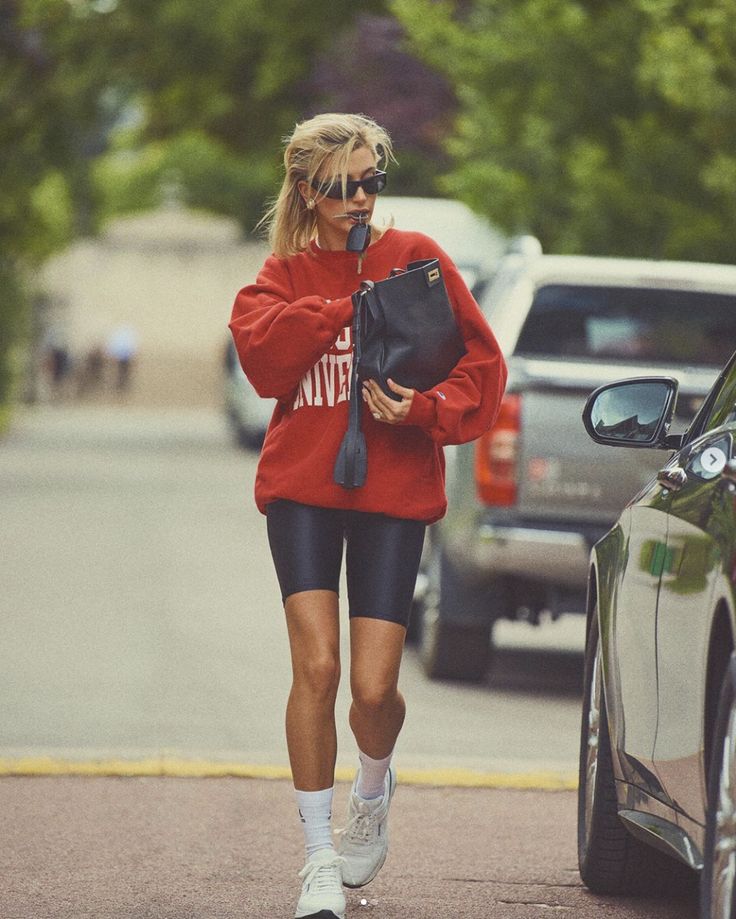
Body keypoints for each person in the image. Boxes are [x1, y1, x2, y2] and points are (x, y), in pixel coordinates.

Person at [229, 113, 507, 919]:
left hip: (392, 493)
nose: (360, 200)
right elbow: (263, 359)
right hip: (304, 492)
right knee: (316, 669)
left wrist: (423, 407)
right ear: (308, 191)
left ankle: (373, 787)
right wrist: (341, 309)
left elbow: (482, 370)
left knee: (375, 685)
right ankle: (318, 859)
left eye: (370, 182)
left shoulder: (417, 261)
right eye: (342, 186)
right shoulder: (280, 277)